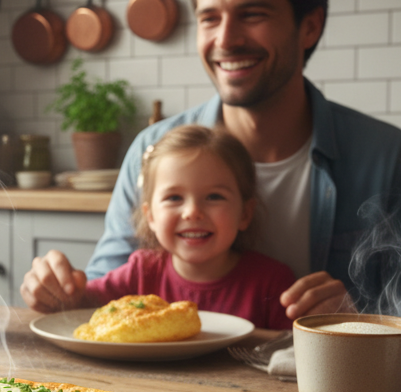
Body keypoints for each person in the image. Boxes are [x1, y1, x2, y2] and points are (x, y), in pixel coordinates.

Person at [24, 0, 401, 318]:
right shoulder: (152, 152)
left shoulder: (385, 156)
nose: (225, 40)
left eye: (252, 14)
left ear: (309, 26)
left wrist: (352, 318)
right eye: (209, 18)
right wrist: (59, 291)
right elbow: (105, 294)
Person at [23, 125, 295, 330]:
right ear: (150, 215)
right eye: (174, 198)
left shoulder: (273, 284)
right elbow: (79, 308)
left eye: (214, 197)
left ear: (245, 213)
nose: (192, 212)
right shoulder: (141, 272)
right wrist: (55, 290)